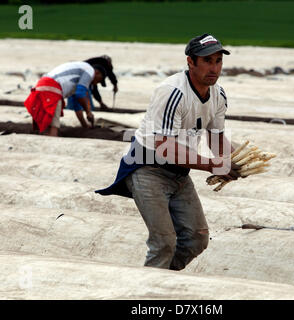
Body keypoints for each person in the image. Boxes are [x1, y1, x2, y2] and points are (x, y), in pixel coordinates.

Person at [95, 34, 240, 271]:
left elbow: (216, 138)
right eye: (207, 61)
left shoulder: (218, 95)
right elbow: (165, 147)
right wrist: (213, 165)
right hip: (148, 170)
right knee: (164, 242)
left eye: (217, 61)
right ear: (190, 62)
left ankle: (163, 279)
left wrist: (235, 160)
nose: (214, 68)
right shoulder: (173, 92)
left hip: (179, 173)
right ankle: (148, 294)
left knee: (197, 239)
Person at [24, 61, 104, 136]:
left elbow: (77, 105)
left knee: (46, 123)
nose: (96, 83)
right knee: (54, 126)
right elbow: (80, 94)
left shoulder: (77, 77)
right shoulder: (90, 71)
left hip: (41, 84)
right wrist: (88, 112)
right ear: (97, 73)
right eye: (99, 80)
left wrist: (84, 125)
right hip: (52, 88)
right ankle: (52, 138)